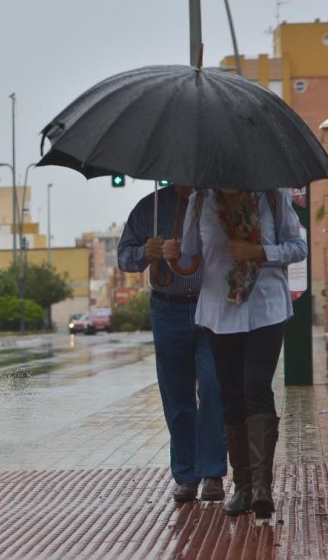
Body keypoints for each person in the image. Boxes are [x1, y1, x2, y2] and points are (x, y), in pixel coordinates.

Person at [164, 188, 307, 519]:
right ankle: (242, 487)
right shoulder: (201, 202)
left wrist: (259, 251)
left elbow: (299, 248)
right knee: (230, 395)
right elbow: (190, 262)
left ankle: (262, 489)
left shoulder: (272, 197)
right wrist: (173, 257)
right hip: (219, 311)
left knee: (256, 385)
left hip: (266, 306)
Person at [118, 184, 225, 504]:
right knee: (176, 396)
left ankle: (213, 473)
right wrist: (144, 253)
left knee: (212, 389)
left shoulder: (215, 203)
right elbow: (124, 256)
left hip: (211, 308)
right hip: (168, 309)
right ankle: (186, 476)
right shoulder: (148, 208)